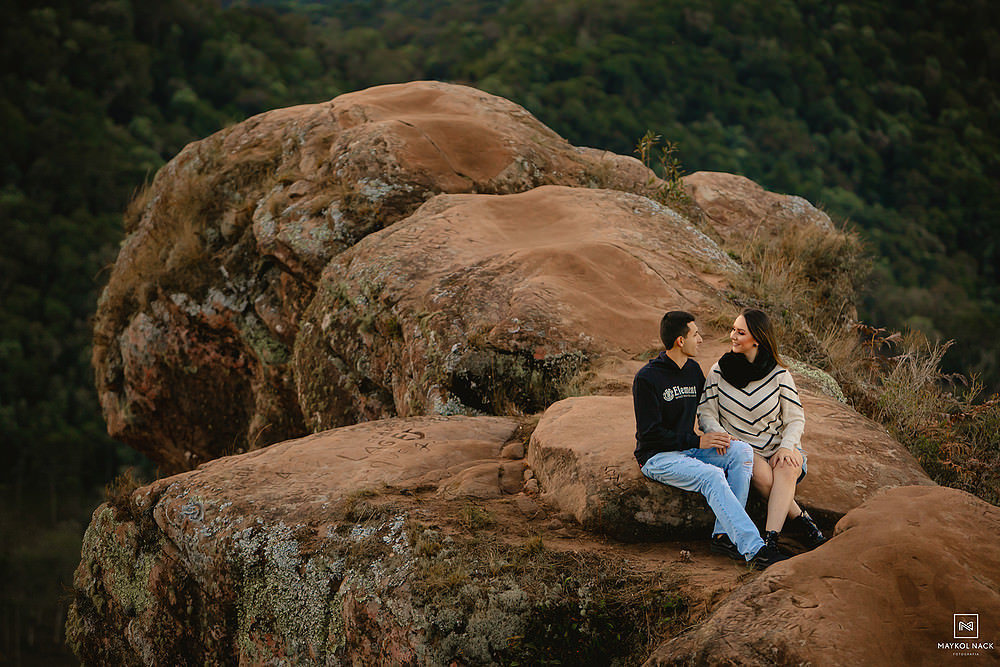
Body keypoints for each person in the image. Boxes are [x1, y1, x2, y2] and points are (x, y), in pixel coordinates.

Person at [633, 310, 789, 570]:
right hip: (657, 457)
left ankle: (723, 536)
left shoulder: (692, 370)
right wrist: (697, 442)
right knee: (712, 476)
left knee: (741, 452)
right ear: (680, 341)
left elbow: (709, 406)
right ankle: (755, 549)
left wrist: (723, 434)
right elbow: (650, 435)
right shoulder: (647, 378)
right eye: (695, 335)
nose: (700, 340)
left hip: (688, 451)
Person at [697, 308, 827, 551]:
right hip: (745, 449)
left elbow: (795, 418)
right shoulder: (719, 371)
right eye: (733, 330)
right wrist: (721, 435)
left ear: (757, 339)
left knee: (787, 465)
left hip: (778, 445)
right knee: (766, 478)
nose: (733, 336)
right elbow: (706, 412)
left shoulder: (779, 374)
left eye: (740, 332)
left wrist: (786, 446)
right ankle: (804, 522)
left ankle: (770, 539)